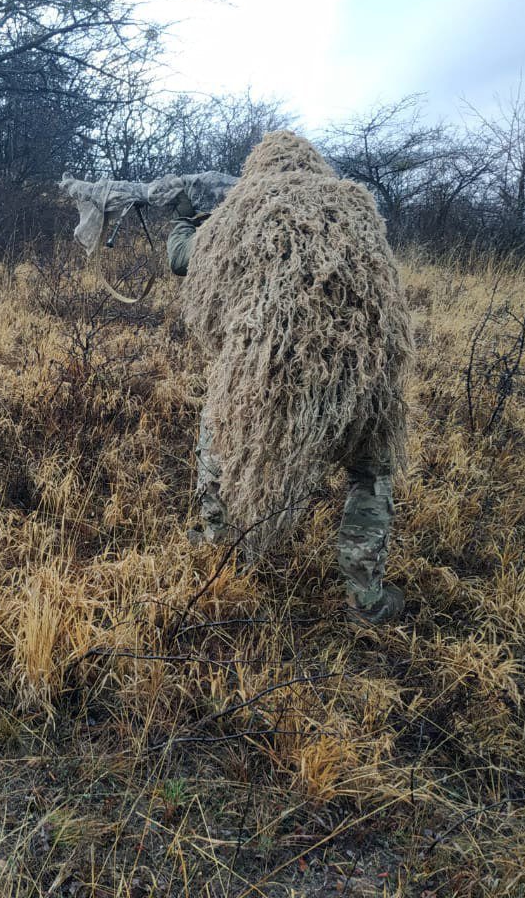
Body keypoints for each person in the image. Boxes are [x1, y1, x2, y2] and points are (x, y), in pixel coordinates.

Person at [166, 176, 407, 625]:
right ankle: (365, 595)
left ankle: (221, 542)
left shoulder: (247, 210)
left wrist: (182, 218)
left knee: (221, 430)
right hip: (364, 371)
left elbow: (183, 259)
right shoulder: (352, 208)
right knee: (370, 469)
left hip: (271, 365)